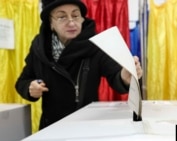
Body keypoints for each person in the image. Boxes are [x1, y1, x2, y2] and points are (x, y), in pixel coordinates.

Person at [15, 0, 143, 130]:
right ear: (51, 23)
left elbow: (115, 75)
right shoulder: (39, 47)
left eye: (75, 15)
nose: (71, 22)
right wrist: (30, 88)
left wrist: (125, 78)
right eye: (62, 17)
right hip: (51, 127)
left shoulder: (95, 45)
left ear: (82, 19)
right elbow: (22, 81)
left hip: (88, 125)